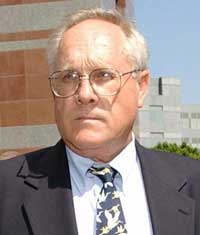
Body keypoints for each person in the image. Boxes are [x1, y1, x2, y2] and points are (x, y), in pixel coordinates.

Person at [0, 8, 200, 235]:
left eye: (103, 75)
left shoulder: (193, 184)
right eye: (69, 77)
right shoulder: (5, 192)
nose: (85, 94)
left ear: (141, 87)